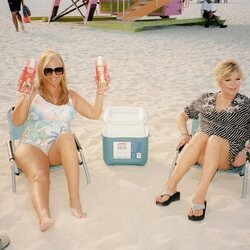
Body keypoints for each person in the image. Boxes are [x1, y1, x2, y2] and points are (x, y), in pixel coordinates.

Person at [12, 49, 107, 231]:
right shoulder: (33, 92)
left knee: (66, 136)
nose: (54, 74)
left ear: (63, 70)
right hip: (33, 145)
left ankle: (75, 201)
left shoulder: (71, 96)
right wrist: (25, 98)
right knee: (40, 176)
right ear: (41, 72)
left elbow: (94, 114)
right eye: (48, 70)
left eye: (58, 69)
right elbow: (17, 121)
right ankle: (44, 216)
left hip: (56, 148)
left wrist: (100, 92)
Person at [155, 58, 250, 221]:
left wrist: (246, 150)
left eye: (237, 79)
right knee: (199, 136)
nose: (234, 84)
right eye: (228, 80)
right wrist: (185, 134)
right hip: (199, 154)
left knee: (213, 139)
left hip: (227, 155)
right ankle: (171, 187)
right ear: (219, 81)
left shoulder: (245, 105)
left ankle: (200, 196)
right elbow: (182, 115)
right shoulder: (206, 99)